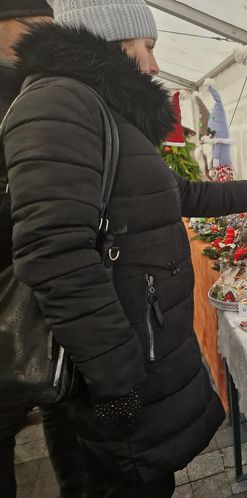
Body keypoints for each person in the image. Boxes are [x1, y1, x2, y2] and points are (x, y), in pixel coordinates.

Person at [2, 0, 247, 496]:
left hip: (142, 357)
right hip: (118, 370)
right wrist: (116, 377)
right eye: (147, 47)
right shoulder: (59, 103)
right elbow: (54, 253)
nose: (153, 65)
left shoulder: (100, 108)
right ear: (110, 37)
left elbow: (180, 195)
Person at [0, 3, 87, 498]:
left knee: (59, 403)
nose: (44, 43)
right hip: (19, 295)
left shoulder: (37, 91)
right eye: (34, 30)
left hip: (42, 306)